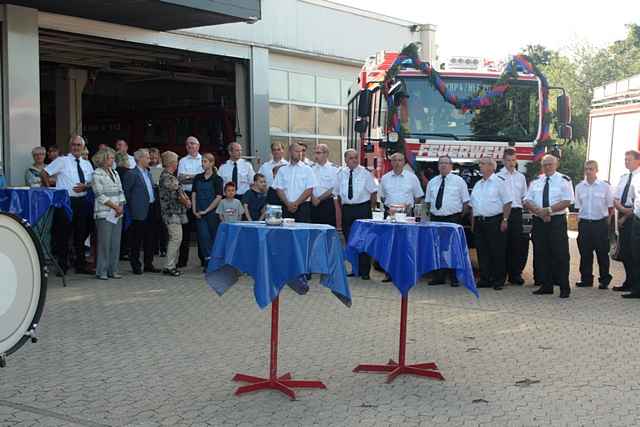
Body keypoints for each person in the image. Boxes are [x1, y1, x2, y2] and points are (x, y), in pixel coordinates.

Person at [41, 135, 95, 275]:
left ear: (83, 147)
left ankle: (80, 265)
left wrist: (86, 186)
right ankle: (62, 266)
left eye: (79, 145)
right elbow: (44, 173)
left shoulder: (87, 164)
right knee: (63, 235)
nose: (76, 147)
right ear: (70, 146)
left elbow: (92, 182)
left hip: (82, 201)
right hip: (66, 201)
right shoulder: (62, 160)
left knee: (81, 234)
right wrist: (50, 191)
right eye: (74, 145)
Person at [524, 154, 574, 298]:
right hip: (539, 221)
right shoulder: (536, 181)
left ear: (556, 164)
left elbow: (567, 200)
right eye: (544, 164)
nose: (547, 167)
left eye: (550, 164)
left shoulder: (564, 180)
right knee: (541, 254)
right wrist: (539, 212)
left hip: (556, 222)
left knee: (561, 255)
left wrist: (548, 210)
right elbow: (527, 200)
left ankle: (564, 287)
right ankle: (546, 285)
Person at [470, 157, 512, 290]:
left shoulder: (500, 182)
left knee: (497, 251)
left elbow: (508, 202)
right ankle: (485, 278)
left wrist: (505, 220)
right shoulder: (478, 184)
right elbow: (473, 206)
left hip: (495, 220)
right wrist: (473, 224)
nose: (480, 166)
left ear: (491, 167)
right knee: (482, 251)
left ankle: (499, 280)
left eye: (482, 164)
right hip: (479, 222)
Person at [425, 155, 468, 286]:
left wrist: (459, 217)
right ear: (438, 166)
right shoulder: (432, 182)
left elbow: (466, 202)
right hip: (436, 218)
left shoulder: (459, 181)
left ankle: (454, 277)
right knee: (438, 248)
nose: (443, 165)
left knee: (453, 248)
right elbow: (427, 202)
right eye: (441, 163)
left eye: (446, 163)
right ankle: (439, 277)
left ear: (451, 166)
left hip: (452, 218)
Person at [336, 149, 378, 280]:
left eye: (356, 157)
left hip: (362, 209)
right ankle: (355, 269)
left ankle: (365, 271)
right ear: (345, 160)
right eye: (351, 158)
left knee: (364, 241)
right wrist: (342, 209)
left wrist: (369, 208)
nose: (354, 160)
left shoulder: (365, 173)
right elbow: (337, 194)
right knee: (350, 241)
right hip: (347, 209)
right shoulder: (341, 173)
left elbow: (373, 192)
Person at [574, 160, 613, 289]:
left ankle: (604, 280)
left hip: (599, 224)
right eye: (586, 169)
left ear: (597, 170)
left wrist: (607, 222)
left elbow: (610, 207)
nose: (588, 171)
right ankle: (586, 279)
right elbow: (578, 207)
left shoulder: (605, 187)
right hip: (585, 224)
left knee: (602, 253)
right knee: (585, 253)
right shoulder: (579, 187)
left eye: (591, 169)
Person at [122, 149, 159, 275]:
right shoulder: (131, 174)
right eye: (148, 158)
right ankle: (135, 265)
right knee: (136, 240)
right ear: (140, 159)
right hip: (138, 211)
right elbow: (126, 193)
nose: (150, 160)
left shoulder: (148, 173)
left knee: (150, 238)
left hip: (151, 208)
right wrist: (130, 209)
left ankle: (149, 263)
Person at [91, 148, 125, 280]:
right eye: (110, 158)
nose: (112, 160)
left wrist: (120, 207)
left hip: (117, 213)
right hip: (104, 213)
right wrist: (115, 206)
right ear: (103, 159)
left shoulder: (115, 172)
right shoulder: (96, 174)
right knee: (104, 243)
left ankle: (113, 270)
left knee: (116, 243)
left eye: (113, 158)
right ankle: (102, 271)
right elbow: (99, 194)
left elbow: (121, 191)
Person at [497, 148, 528, 285]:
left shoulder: (521, 177)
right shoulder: (497, 176)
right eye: (508, 160)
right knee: (502, 245)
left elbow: (524, 197)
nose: (511, 163)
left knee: (516, 245)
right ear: (503, 161)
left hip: (516, 212)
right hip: (502, 212)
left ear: (516, 161)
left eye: (513, 160)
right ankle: (501, 276)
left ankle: (515, 275)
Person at [612, 150, 640, 292]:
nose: (626, 162)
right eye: (625, 159)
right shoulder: (623, 177)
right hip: (622, 214)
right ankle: (628, 281)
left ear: (637, 160)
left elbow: (637, 203)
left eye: (629, 159)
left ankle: (636, 285)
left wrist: (625, 214)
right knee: (625, 253)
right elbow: (616, 197)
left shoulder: (639, 177)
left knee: (635, 252)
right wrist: (620, 210)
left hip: (633, 217)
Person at [159, 151, 191, 277]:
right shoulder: (168, 177)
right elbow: (178, 194)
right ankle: (169, 266)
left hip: (174, 213)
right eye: (176, 161)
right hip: (171, 213)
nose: (177, 163)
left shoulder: (170, 176)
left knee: (176, 238)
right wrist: (187, 202)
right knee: (176, 238)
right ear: (172, 163)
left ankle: (169, 264)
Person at [192, 153, 223, 268]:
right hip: (200, 213)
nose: (203, 164)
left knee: (213, 237)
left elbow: (219, 197)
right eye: (202, 161)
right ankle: (207, 262)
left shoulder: (217, 179)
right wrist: (195, 210)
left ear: (212, 163)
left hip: (213, 213)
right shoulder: (197, 178)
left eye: (205, 161)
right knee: (203, 237)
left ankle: (214, 262)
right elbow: (194, 194)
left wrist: (207, 210)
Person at [177, 136, 204, 268]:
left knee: (201, 229)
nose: (190, 146)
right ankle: (182, 261)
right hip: (186, 196)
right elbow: (180, 179)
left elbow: (203, 178)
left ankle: (204, 259)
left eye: (193, 144)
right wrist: (196, 177)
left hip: (200, 196)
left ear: (198, 146)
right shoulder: (182, 160)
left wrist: (190, 177)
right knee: (185, 229)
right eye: (187, 144)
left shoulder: (204, 159)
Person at [273, 143, 316, 222]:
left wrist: (296, 204)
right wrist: (288, 204)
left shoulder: (308, 169)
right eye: (297, 151)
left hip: (302, 207)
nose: (300, 154)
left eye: (301, 151)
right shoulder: (282, 170)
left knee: (302, 232)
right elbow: (279, 188)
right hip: (286, 206)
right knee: (286, 232)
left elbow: (309, 189)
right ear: (290, 152)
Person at [622, 167, 640, 299]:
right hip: (637, 220)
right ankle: (636, 288)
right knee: (635, 255)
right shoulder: (636, 178)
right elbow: (634, 200)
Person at [310, 144, 339, 226]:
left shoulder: (334, 169)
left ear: (326, 154)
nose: (316, 155)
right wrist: (313, 198)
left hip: (327, 203)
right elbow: (308, 186)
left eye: (318, 153)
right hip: (313, 203)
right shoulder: (311, 168)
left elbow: (334, 188)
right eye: (315, 153)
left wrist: (319, 199)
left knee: (328, 230)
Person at [148, 147, 167, 257]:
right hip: (150, 199)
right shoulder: (146, 168)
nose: (154, 160)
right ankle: (154, 248)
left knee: (161, 224)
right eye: (151, 158)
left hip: (160, 199)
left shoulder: (161, 169)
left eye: (155, 158)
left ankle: (163, 248)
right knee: (152, 224)